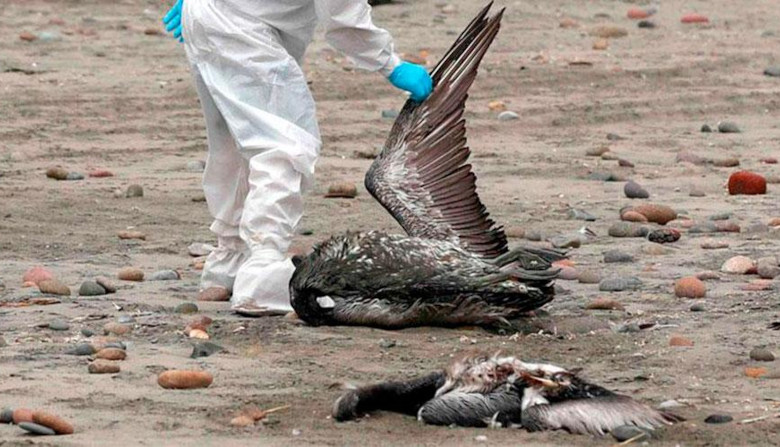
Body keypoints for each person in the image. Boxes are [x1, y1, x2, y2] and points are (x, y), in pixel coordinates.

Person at [162, 0, 433, 315]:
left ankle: (231, 259)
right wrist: (391, 64)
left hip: (216, 14)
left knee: (235, 139)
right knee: (283, 144)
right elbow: (341, 16)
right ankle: (262, 271)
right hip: (241, 24)